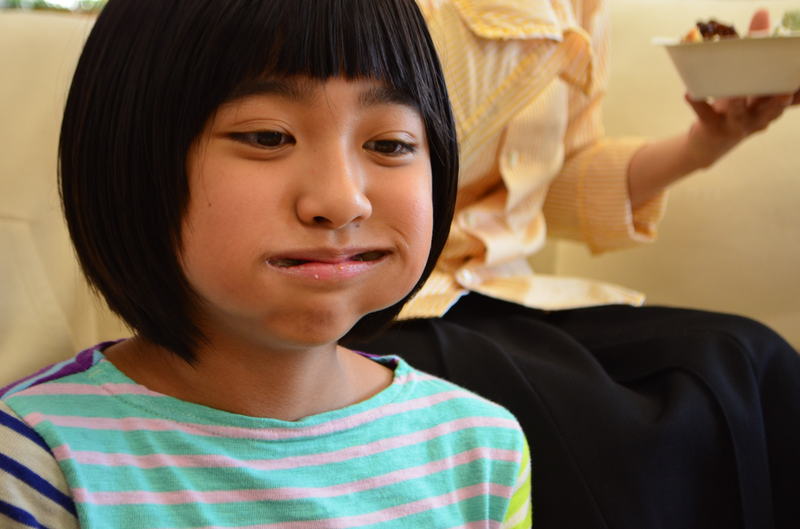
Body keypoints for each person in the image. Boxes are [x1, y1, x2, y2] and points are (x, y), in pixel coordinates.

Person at [0, 1, 532, 528]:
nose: (343, 201)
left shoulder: (481, 451)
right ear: (129, 158)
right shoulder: (32, 457)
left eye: (389, 144)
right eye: (268, 137)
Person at [348, 1, 800, 528]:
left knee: (746, 360)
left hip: (497, 290)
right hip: (386, 301)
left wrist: (708, 143)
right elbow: (388, 151)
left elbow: (550, 179)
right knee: (606, 428)